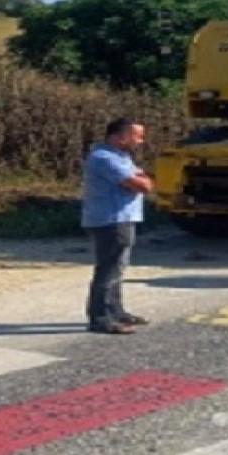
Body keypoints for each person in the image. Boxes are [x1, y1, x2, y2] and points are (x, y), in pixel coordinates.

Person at [82, 118, 156, 334]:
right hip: (110, 219)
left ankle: (116, 311)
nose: (141, 141)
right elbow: (141, 184)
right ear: (120, 136)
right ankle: (101, 318)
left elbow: (143, 179)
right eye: (137, 136)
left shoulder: (121, 157)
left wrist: (141, 180)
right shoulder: (104, 158)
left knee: (118, 268)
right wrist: (141, 181)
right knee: (108, 269)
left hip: (122, 218)